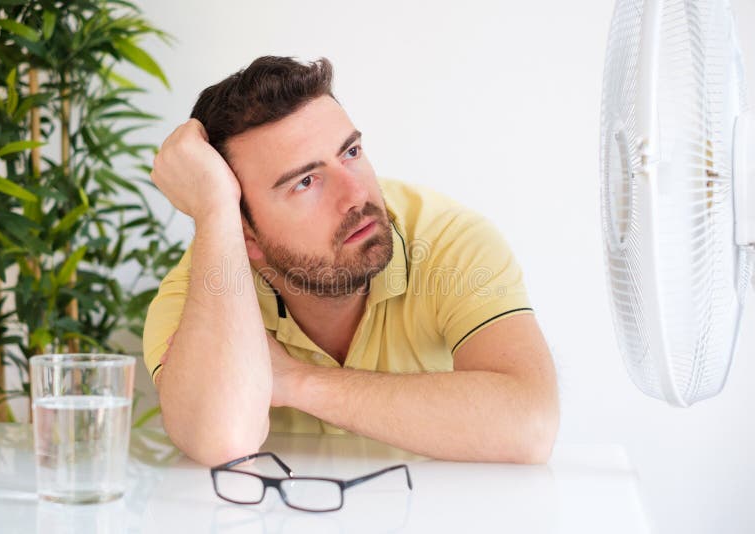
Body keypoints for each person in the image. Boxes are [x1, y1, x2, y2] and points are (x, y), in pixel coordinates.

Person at [143, 56, 559, 467]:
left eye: (351, 152)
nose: (355, 195)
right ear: (247, 234)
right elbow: (222, 442)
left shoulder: (450, 241)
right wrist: (214, 211)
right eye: (305, 182)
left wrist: (295, 381)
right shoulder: (202, 290)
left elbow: (531, 425)